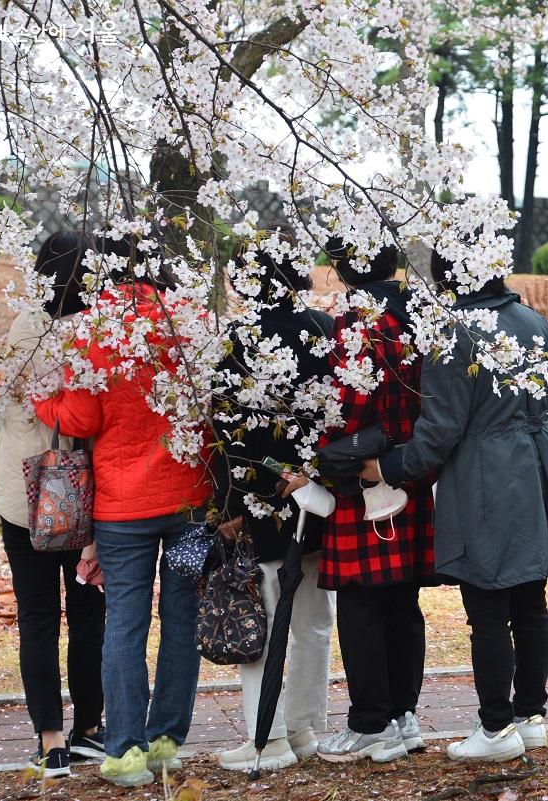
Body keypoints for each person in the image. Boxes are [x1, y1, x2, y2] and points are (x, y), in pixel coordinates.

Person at [360, 254, 548, 763]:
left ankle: (495, 728)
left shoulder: (454, 333)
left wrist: (391, 469)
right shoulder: (530, 320)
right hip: (537, 465)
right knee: (531, 602)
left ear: (449, 274)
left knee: (488, 606)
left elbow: (440, 429)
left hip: (489, 474)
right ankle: (529, 716)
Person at [34, 241, 211, 787]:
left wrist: (43, 402)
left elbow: (83, 418)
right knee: (182, 618)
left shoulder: (94, 329)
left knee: (126, 622)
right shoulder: (192, 321)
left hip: (123, 508)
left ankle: (125, 748)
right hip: (188, 499)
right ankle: (166, 739)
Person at [308, 240, 436, 765]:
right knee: (403, 600)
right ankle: (403, 716)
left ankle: (370, 723)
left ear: (340, 270)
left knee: (361, 602)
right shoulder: (422, 315)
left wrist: (320, 454)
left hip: (363, 476)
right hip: (412, 471)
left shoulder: (358, 323)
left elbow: (347, 407)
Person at [211, 242, 337, 772]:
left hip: (263, 494)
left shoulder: (240, 341)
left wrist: (232, 503)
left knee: (263, 619)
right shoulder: (324, 331)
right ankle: (306, 726)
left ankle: (271, 734)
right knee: (312, 619)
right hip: (316, 491)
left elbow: (227, 431)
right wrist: (314, 472)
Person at [0, 230, 106, 779]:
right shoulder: (92, 332)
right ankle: (88, 727)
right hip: (81, 496)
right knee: (88, 614)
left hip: (22, 495)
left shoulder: (23, 328)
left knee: (37, 619)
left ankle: (51, 739)